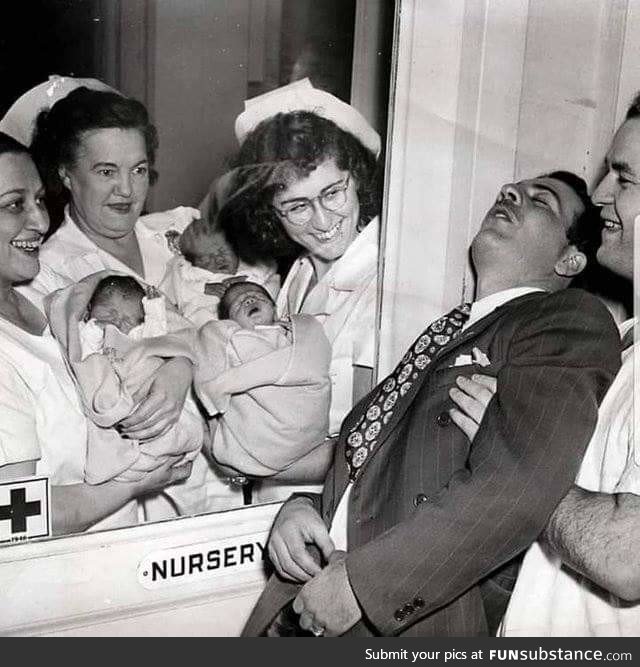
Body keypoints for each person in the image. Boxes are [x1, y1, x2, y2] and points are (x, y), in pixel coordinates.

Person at [242, 170, 621, 637]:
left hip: (407, 618)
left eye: (540, 201)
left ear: (570, 259)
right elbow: (376, 466)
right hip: (311, 591)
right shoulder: (447, 330)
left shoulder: (562, 319)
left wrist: (366, 586)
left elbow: (521, 483)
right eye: (512, 189)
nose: (509, 193)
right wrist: (302, 509)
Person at [452, 97, 639, 637]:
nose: (600, 192)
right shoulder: (622, 342)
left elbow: (627, 556)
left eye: (623, 179)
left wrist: (507, 449)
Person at [13, 81, 223, 518]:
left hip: (226, 479)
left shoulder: (172, 239)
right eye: (107, 171)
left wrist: (183, 364)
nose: (127, 190)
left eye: (139, 170)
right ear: (66, 175)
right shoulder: (51, 277)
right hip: (150, 502)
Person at [0, 132, 192, 534]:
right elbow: (12, 519)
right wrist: (136, 482)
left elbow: (164, 318)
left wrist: (178, 369)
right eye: (14, 205)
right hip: (62, 579)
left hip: (128, 546)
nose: (40, 220)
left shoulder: (43, 285)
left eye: (38, 200)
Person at [219, 78, 381, 500]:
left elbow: (373, 444)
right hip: (273, 502)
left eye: (333, 193)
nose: (323, 222)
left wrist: (241, 461)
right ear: (270, 212)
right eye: (297, 207)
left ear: (356, 177)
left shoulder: (384, 285)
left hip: (333, 510)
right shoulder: (301, 271)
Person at [45, 272, 203, 497]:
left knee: (174, 430)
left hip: (146, 385)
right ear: (89, 311)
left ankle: (166, 450)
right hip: (118, 397)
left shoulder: (138, 333)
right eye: (110, 312)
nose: (120, 321)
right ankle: (138, 464)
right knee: (126, 441)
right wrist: (92, 327)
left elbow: (159, 336)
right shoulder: (93, 333)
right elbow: (84, 351)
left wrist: (155, 306)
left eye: (130, 318)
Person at [192, 281, 332, 479]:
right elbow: (208, 359)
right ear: (230, 323)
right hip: (261, 437)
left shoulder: (295, 335)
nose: (249, 299)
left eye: (259, 297)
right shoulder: (233, 341)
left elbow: (311, 361)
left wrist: (221, 386)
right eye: (238, 304)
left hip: (304, 424)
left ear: (276, 310)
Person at [160, 211, 279, 327]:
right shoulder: (188, 271)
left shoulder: (250, 265)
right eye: (206, 258)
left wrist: (247, 283)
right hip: (206, 324)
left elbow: (270, 272)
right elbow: (172, 291)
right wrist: (202, 288)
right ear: (193, 262)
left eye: (223, 251)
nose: (218, 259)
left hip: (251, 318)